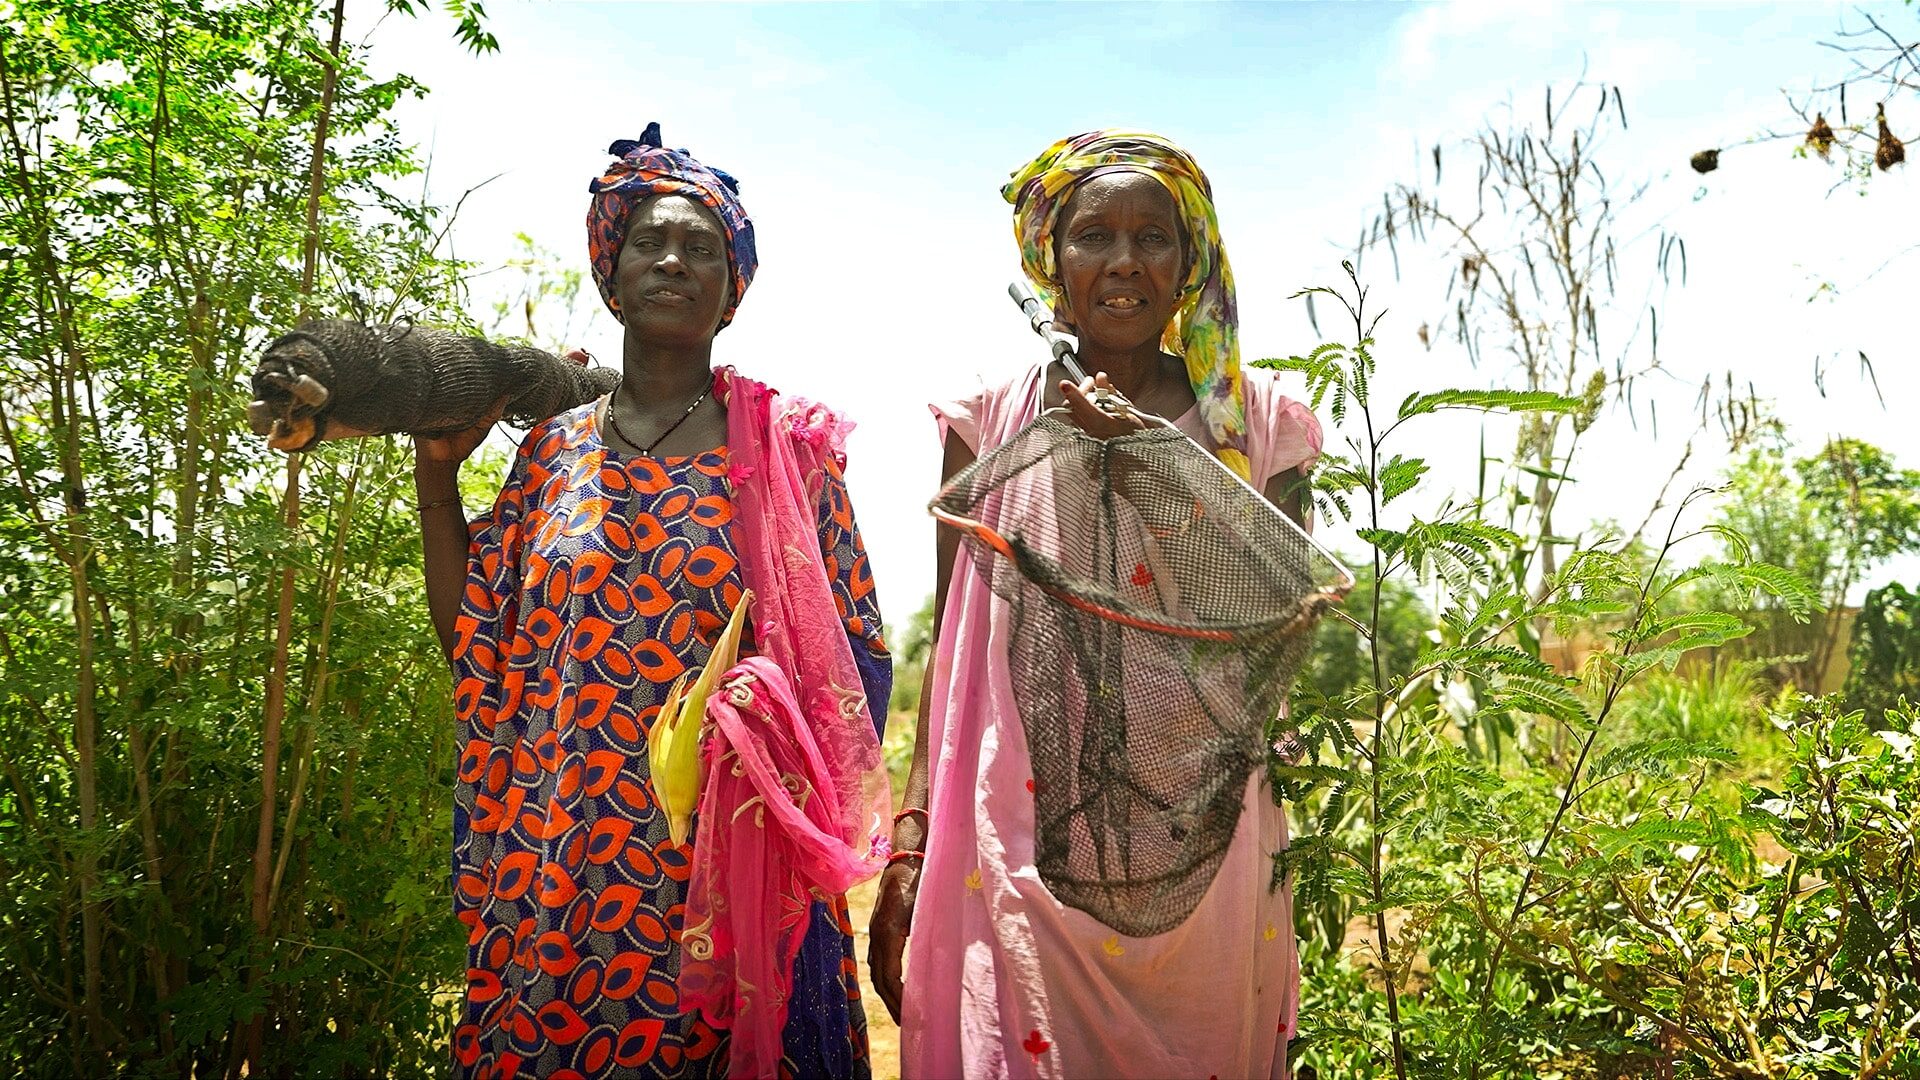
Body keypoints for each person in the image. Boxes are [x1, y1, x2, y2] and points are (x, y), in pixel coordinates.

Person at [415, 124, 892, 1079]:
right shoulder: (550, 452)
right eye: (650, 243)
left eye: (702, 249)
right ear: (612, 272)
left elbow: (857, 656)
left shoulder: (787, 453)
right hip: (566, 845)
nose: (674, 261)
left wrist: (756, 726)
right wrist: (435, 480)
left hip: (734, 850)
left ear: (732, 288)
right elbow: (478, 642)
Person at [869, 130, 1324, 1079]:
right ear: (1052, 259)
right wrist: (910, 849)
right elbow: (950, 662)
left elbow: (1285, 622)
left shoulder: (1262, 426)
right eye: (1093, 236)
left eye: (1152, 236)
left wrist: (1165, 470)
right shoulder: (989, 422)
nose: (1123, 262)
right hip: (1013, 839)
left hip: (1208, 848)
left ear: (1188, 259)